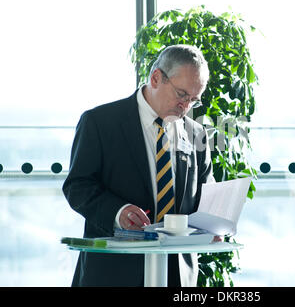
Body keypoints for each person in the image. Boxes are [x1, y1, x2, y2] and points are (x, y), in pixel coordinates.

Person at [62, 44, 215, 287]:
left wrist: (215, 221)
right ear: (156, 78)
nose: (185, 107)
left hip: (176, 276)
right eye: (181, 94)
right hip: (113, 274)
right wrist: (118, 212)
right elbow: (77, 186)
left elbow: (206, 193)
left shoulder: (196, 133)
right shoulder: (100, 122)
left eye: (193, 100)